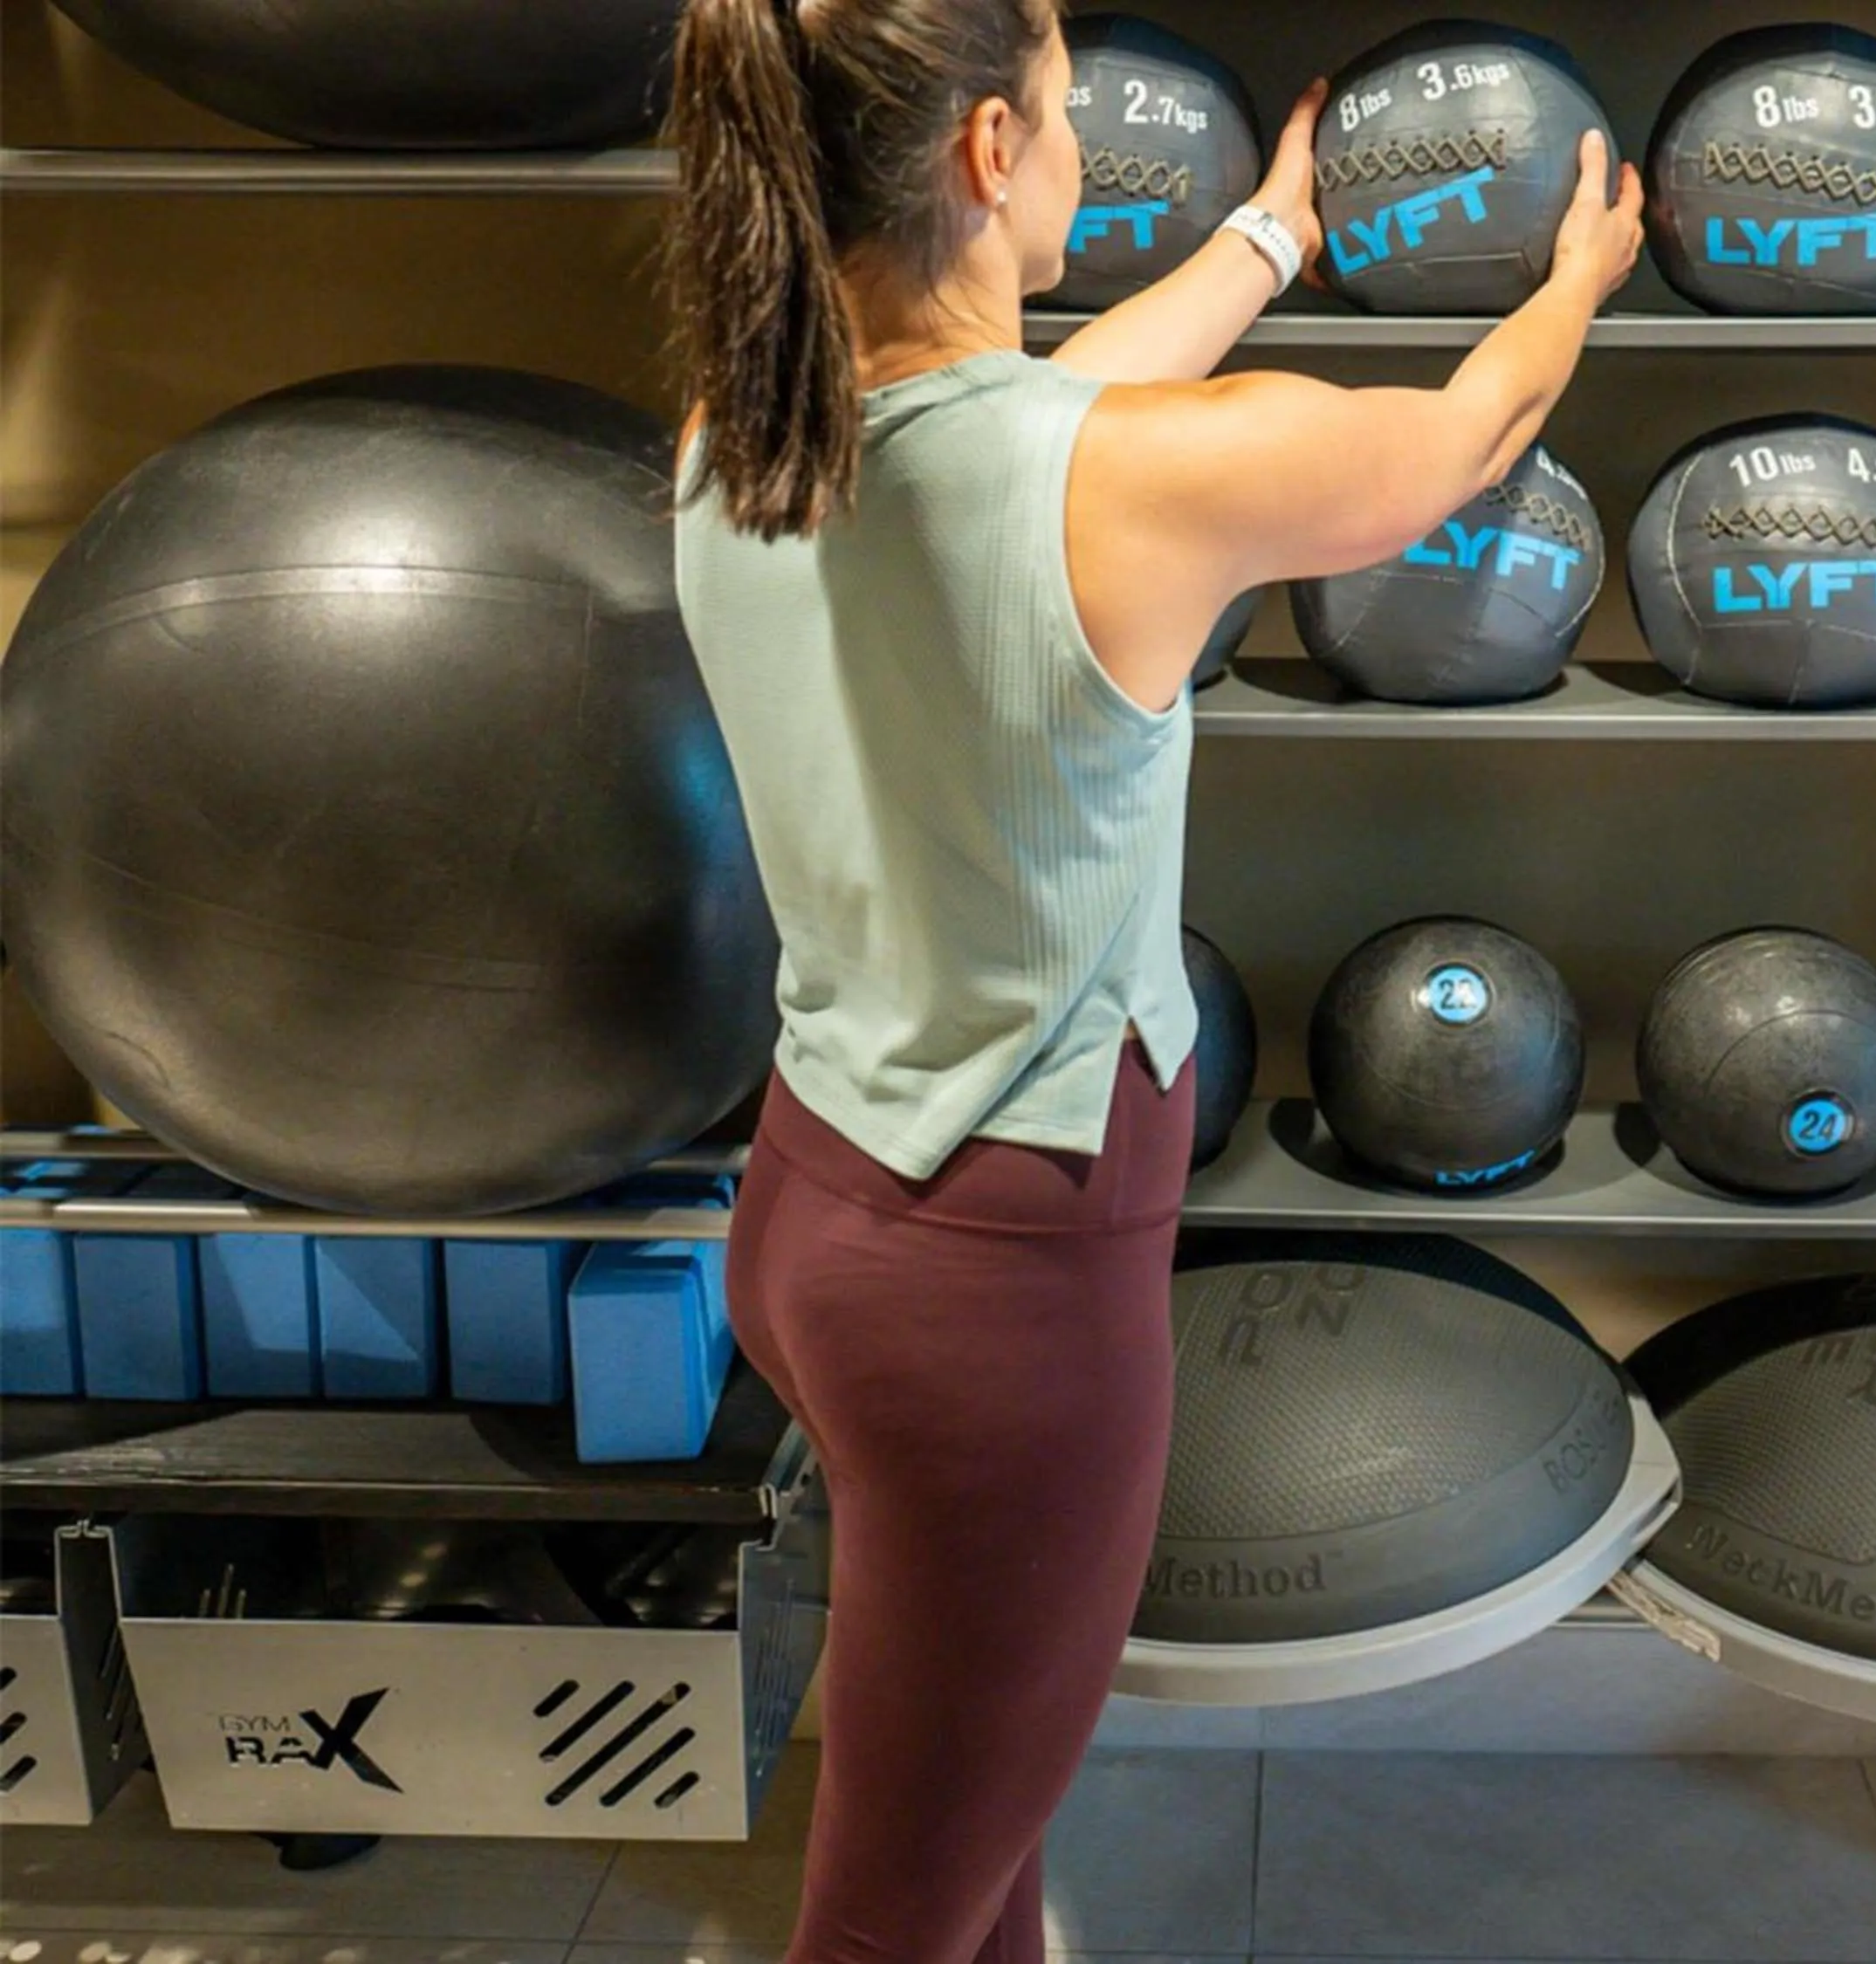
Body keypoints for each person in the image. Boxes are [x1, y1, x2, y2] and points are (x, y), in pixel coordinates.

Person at [660, 2, 1642, 1957]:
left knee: (965, 1823)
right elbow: (1470, 441)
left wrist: (1269, 236)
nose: (1082, 130)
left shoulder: (736, 448)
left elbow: (1042, 419)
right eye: (1055, 89)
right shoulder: (1131, 481)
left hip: (814, 1218)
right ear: (990, 157)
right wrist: (1579, 280)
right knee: (896, 1910)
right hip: (995, 1311)